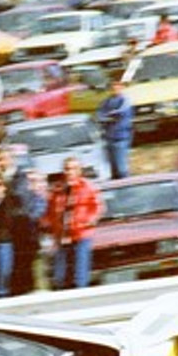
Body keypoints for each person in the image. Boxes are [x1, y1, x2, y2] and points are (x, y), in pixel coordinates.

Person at [43, 158, 102, 290]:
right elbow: (49, 211)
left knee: (80, 275)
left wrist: (88, 221)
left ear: (79, 170)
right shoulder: (57, 189)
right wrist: (48, 226)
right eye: (67, 169)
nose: (70, 172)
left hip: (81, 234)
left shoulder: (88, 187)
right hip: (62, 236)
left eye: (73, 168)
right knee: (60, 276)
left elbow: (97, 207)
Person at [95, 77, 134, 179]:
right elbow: (99, 115)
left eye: (117, 85)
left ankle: (126, 185)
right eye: (112, 85)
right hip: (108, 137)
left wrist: (108, 116)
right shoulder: (106, 101)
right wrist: (105, 118)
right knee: (112, 169)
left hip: (121, 137)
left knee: (122, 168)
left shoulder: (125, 100)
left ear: (122, 86)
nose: (115, 87)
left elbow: (119, 113)